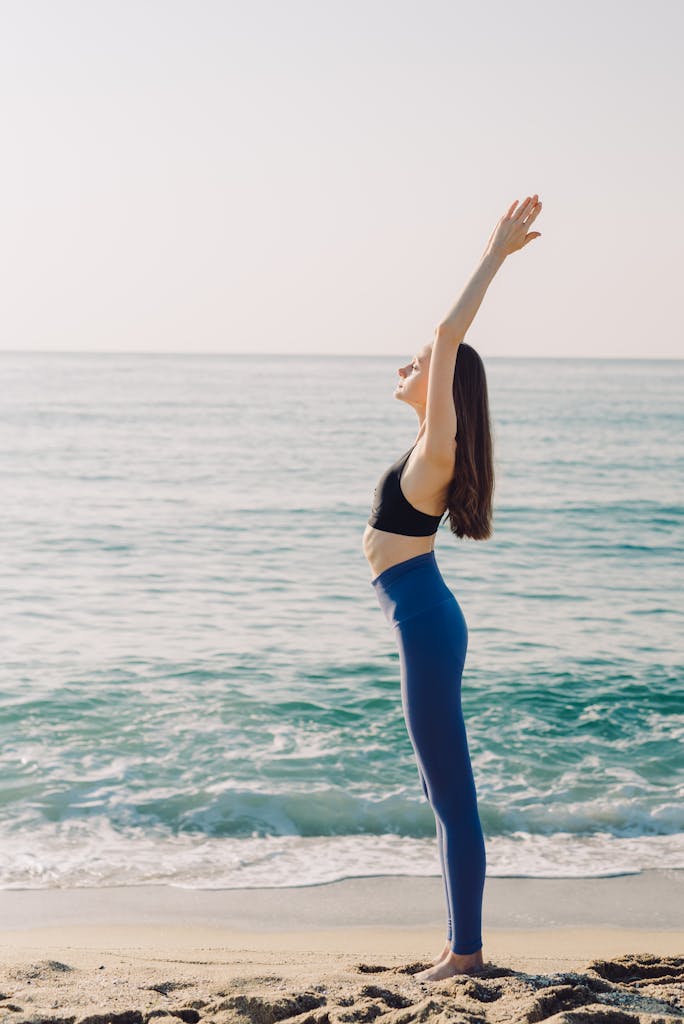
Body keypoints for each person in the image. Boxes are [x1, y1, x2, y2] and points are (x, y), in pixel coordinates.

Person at [362, 194, 543, 981]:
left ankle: (466, 956)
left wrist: (494, 254)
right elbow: (438, 349)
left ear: (443, 390)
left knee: (450, 793)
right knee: (442, 791)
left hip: (427, 622)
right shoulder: (423, 449)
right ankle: (454, 946)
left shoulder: (439, 448)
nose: (406, 368)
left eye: (419, 367)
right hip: (422, 615)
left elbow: (446, 335)